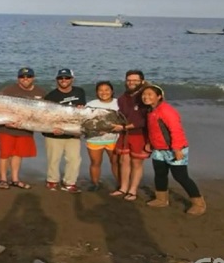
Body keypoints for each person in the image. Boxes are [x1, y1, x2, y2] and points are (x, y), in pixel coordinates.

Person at [141, 84, 205, 215]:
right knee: (160, 174)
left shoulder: (166, 110)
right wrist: (149, 143)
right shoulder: (151, 110)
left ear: (159, 97)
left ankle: (199, 203)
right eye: (144, 94)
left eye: (150, 94)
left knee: (181, 176)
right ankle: (161, 199)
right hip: (159, 149)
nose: (146, 97)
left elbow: (176, 130)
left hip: (175, 148)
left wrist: (177, 149)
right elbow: (154, 130)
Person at [0, 67, 46, 190]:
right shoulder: (9, 90)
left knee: (18, 154)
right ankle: (3, 179)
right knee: (5, 154)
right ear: (18, 78)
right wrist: (5, 122)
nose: (25, 79)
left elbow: (44, 112)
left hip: (26, 129)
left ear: (33, 78)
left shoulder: (40, 92)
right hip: (6, 128)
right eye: (22, 77)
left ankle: (15, 179)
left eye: (28, 76)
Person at [43, 68, 87, 193]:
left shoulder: (80, 91)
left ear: (72, 79)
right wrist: (51, 130)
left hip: (73, 133)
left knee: (74, 159)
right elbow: (45, 116)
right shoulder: (50, 96)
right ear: (57, 80)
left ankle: (70, 182)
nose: (63, 80)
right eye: (60, 78)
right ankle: (52, 180)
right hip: (54, 133)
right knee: (53, 159)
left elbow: (81, 112)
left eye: (67, 78)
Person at [109, 70, 149, 201]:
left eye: (135, 80)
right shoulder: (122, 98)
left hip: (140, 134)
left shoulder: (146, 96)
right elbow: (121, 116)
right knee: (123, 161)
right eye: (129, 80)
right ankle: (123, 188)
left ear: (142, 81)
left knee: (136, 163)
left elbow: (145, 120)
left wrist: (125, 127)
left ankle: (133, 190)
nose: (131, 82)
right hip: (124, 133)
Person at [85, 81, 120, 192]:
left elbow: (124, 120)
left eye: (107, 90)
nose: (104, 92)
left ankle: (121, 184)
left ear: (112, 91)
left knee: (115, 162)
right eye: (100, 90)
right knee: (95, 163)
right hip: (95, 139)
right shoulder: (91, 104)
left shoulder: (119, 103)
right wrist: (96, 130)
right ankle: (95, 183)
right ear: (96, 92)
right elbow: (85, 122)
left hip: (114, 139)